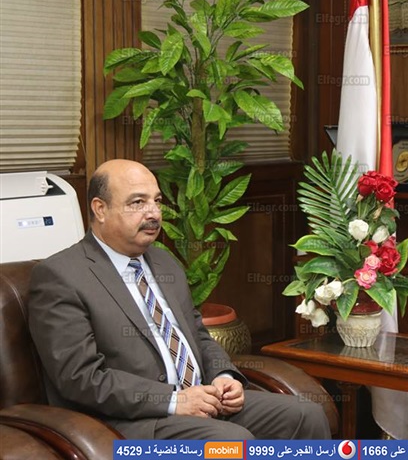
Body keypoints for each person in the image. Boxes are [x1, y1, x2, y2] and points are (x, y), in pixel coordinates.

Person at [28, 159, 331, 440]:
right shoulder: (62, 276)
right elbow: (80, 378)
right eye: (138, 202)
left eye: (157, 201)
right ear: (100, 209)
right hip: (129, 421)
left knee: (306, 415)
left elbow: (197, 334)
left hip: (201, 399)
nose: (153, 213)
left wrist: (223, 375)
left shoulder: (163, 262)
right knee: (230, 442)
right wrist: (173, 400)